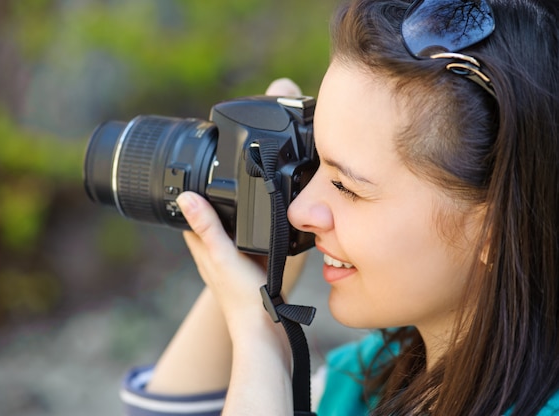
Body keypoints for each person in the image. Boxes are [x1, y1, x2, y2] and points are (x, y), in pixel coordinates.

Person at [120, 0, 559, 414]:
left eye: (346, 187)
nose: (299, 209)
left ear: (493, 230)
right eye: (312, 162)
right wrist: (257, 278)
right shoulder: (369, 376)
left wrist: (260, 340)